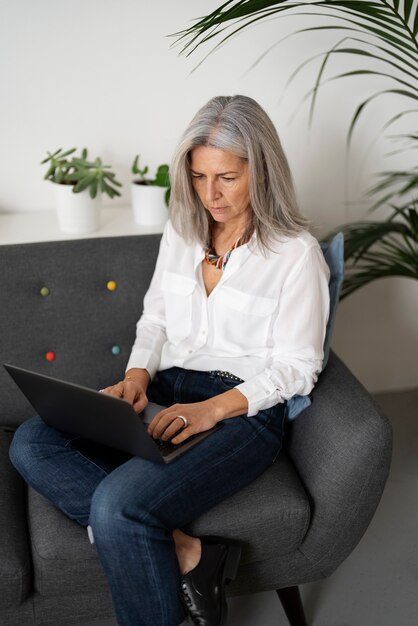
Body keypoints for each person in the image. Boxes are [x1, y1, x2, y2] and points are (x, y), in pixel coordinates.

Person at [9, 95, 330, 626]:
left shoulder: (295, 253)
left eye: (226, 176)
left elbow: (298, 366)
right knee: (32, 442)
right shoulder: (182, 231)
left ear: (262, 168)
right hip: (167, 391)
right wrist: (136, 377)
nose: (211, 194)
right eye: (199, 176)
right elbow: (155, 320)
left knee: (117, 506)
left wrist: (212, 410)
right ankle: (190, 552)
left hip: (242, 416)